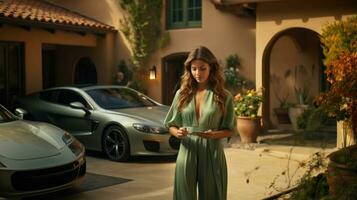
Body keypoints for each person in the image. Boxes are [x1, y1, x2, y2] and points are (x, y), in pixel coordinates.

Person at [164, 46, 235, 200]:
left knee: (212, 195)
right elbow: (171, 124)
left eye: (202, 68)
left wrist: (214, 134)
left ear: (211, 68)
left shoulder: (223, 96)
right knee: (184, 195)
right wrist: (177, 133)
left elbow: (230, 129)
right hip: (187, 149)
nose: (198, 73)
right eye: (194, 69)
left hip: (212, 150)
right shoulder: (182, 93)